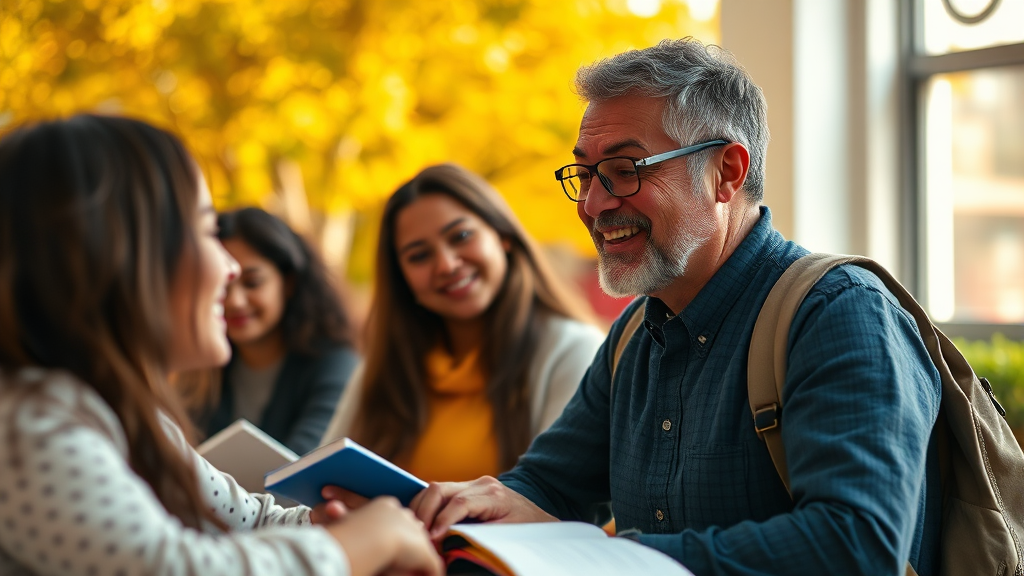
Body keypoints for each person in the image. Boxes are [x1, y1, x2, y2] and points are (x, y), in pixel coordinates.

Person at [408, 39, 943, 575]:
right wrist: (464, 512)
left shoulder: (838, 313)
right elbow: (549, 487)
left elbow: (856, 547)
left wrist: (608, 560)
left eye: (624, 168)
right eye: (587, 175)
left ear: (727, 173)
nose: (593, 204)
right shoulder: (635, 334)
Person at [0, 114, 442, 576]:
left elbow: (251, 517)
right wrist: (354, 546)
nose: (229, 269)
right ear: (124, 257)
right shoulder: (28, 423)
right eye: (208, 232)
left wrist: (337, 523)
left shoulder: (128, 410)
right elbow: (172, 569)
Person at [322, 163, 604, 482]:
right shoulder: (385, 363)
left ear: (503, 236)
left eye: (461, 236)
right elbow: (324, 474)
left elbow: (562, 496)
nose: (446, 264)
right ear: (401, 278)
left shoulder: (572, 351)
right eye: (418, 256)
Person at [194, 207, 359, 456]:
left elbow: (301, 466)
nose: (235, 301)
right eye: (223, 285)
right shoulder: (200, 369)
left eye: (253, 283)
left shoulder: (337, 365)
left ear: (289, 282)